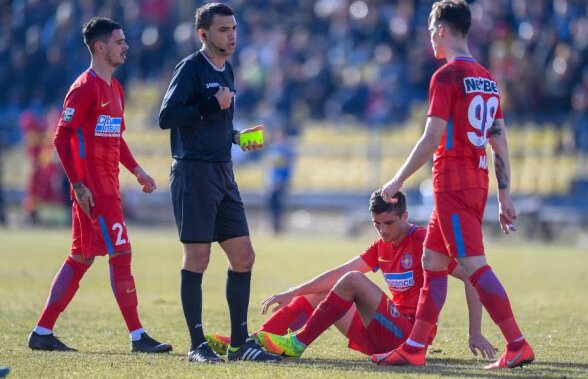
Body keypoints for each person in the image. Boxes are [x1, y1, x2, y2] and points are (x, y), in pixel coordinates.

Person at [376, 0, 534, 369]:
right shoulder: (487, 78)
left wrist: (397, 179)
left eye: (432, 30)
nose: (430, 37)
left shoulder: (446, 76)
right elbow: (499, 139)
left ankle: (518, 344)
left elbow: (432, 138)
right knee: (433, 260)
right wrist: (504, 195)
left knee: (474, 266)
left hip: (453, 182)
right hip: (476, 181)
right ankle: (415, 347)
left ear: (442, 29)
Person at [206, 191, 496, 361]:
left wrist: (475, 331)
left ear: (405, 217)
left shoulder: (423, 242)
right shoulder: (382, 245)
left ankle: (298, 344)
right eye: (376, 223)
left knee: (353, 282)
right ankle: (247, 341)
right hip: (380, 333)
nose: (382, 230)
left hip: (408, 336)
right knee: (322, 291)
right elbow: (342, 272)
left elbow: (471, 277)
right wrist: (294, 292)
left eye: (389, 222)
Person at [27, 17, 172, 354]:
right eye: (119, 42)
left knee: (79, 258)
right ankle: (138, 336)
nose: (126, 47)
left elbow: (114, 139)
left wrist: (137, 170)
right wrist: (78, 185)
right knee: (121, 251)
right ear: (100, 47)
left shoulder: (116, 89)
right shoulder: (84, 87)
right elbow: (61, 137)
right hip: (94, 190)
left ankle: (42, 331)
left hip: (109, 186)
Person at [158, 3, 281, 364]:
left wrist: (239, 137)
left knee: (244, 256)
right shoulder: (190, 68)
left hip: (223, 172)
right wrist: (211, 105)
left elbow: (216, 124)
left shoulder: (227, 69)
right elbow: (167, 117)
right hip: (193, 174)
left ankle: (240, 345)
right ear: (204, 35)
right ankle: (197, 345)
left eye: (234, 28)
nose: (232, 35)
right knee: (198, 257)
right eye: (224, 29)